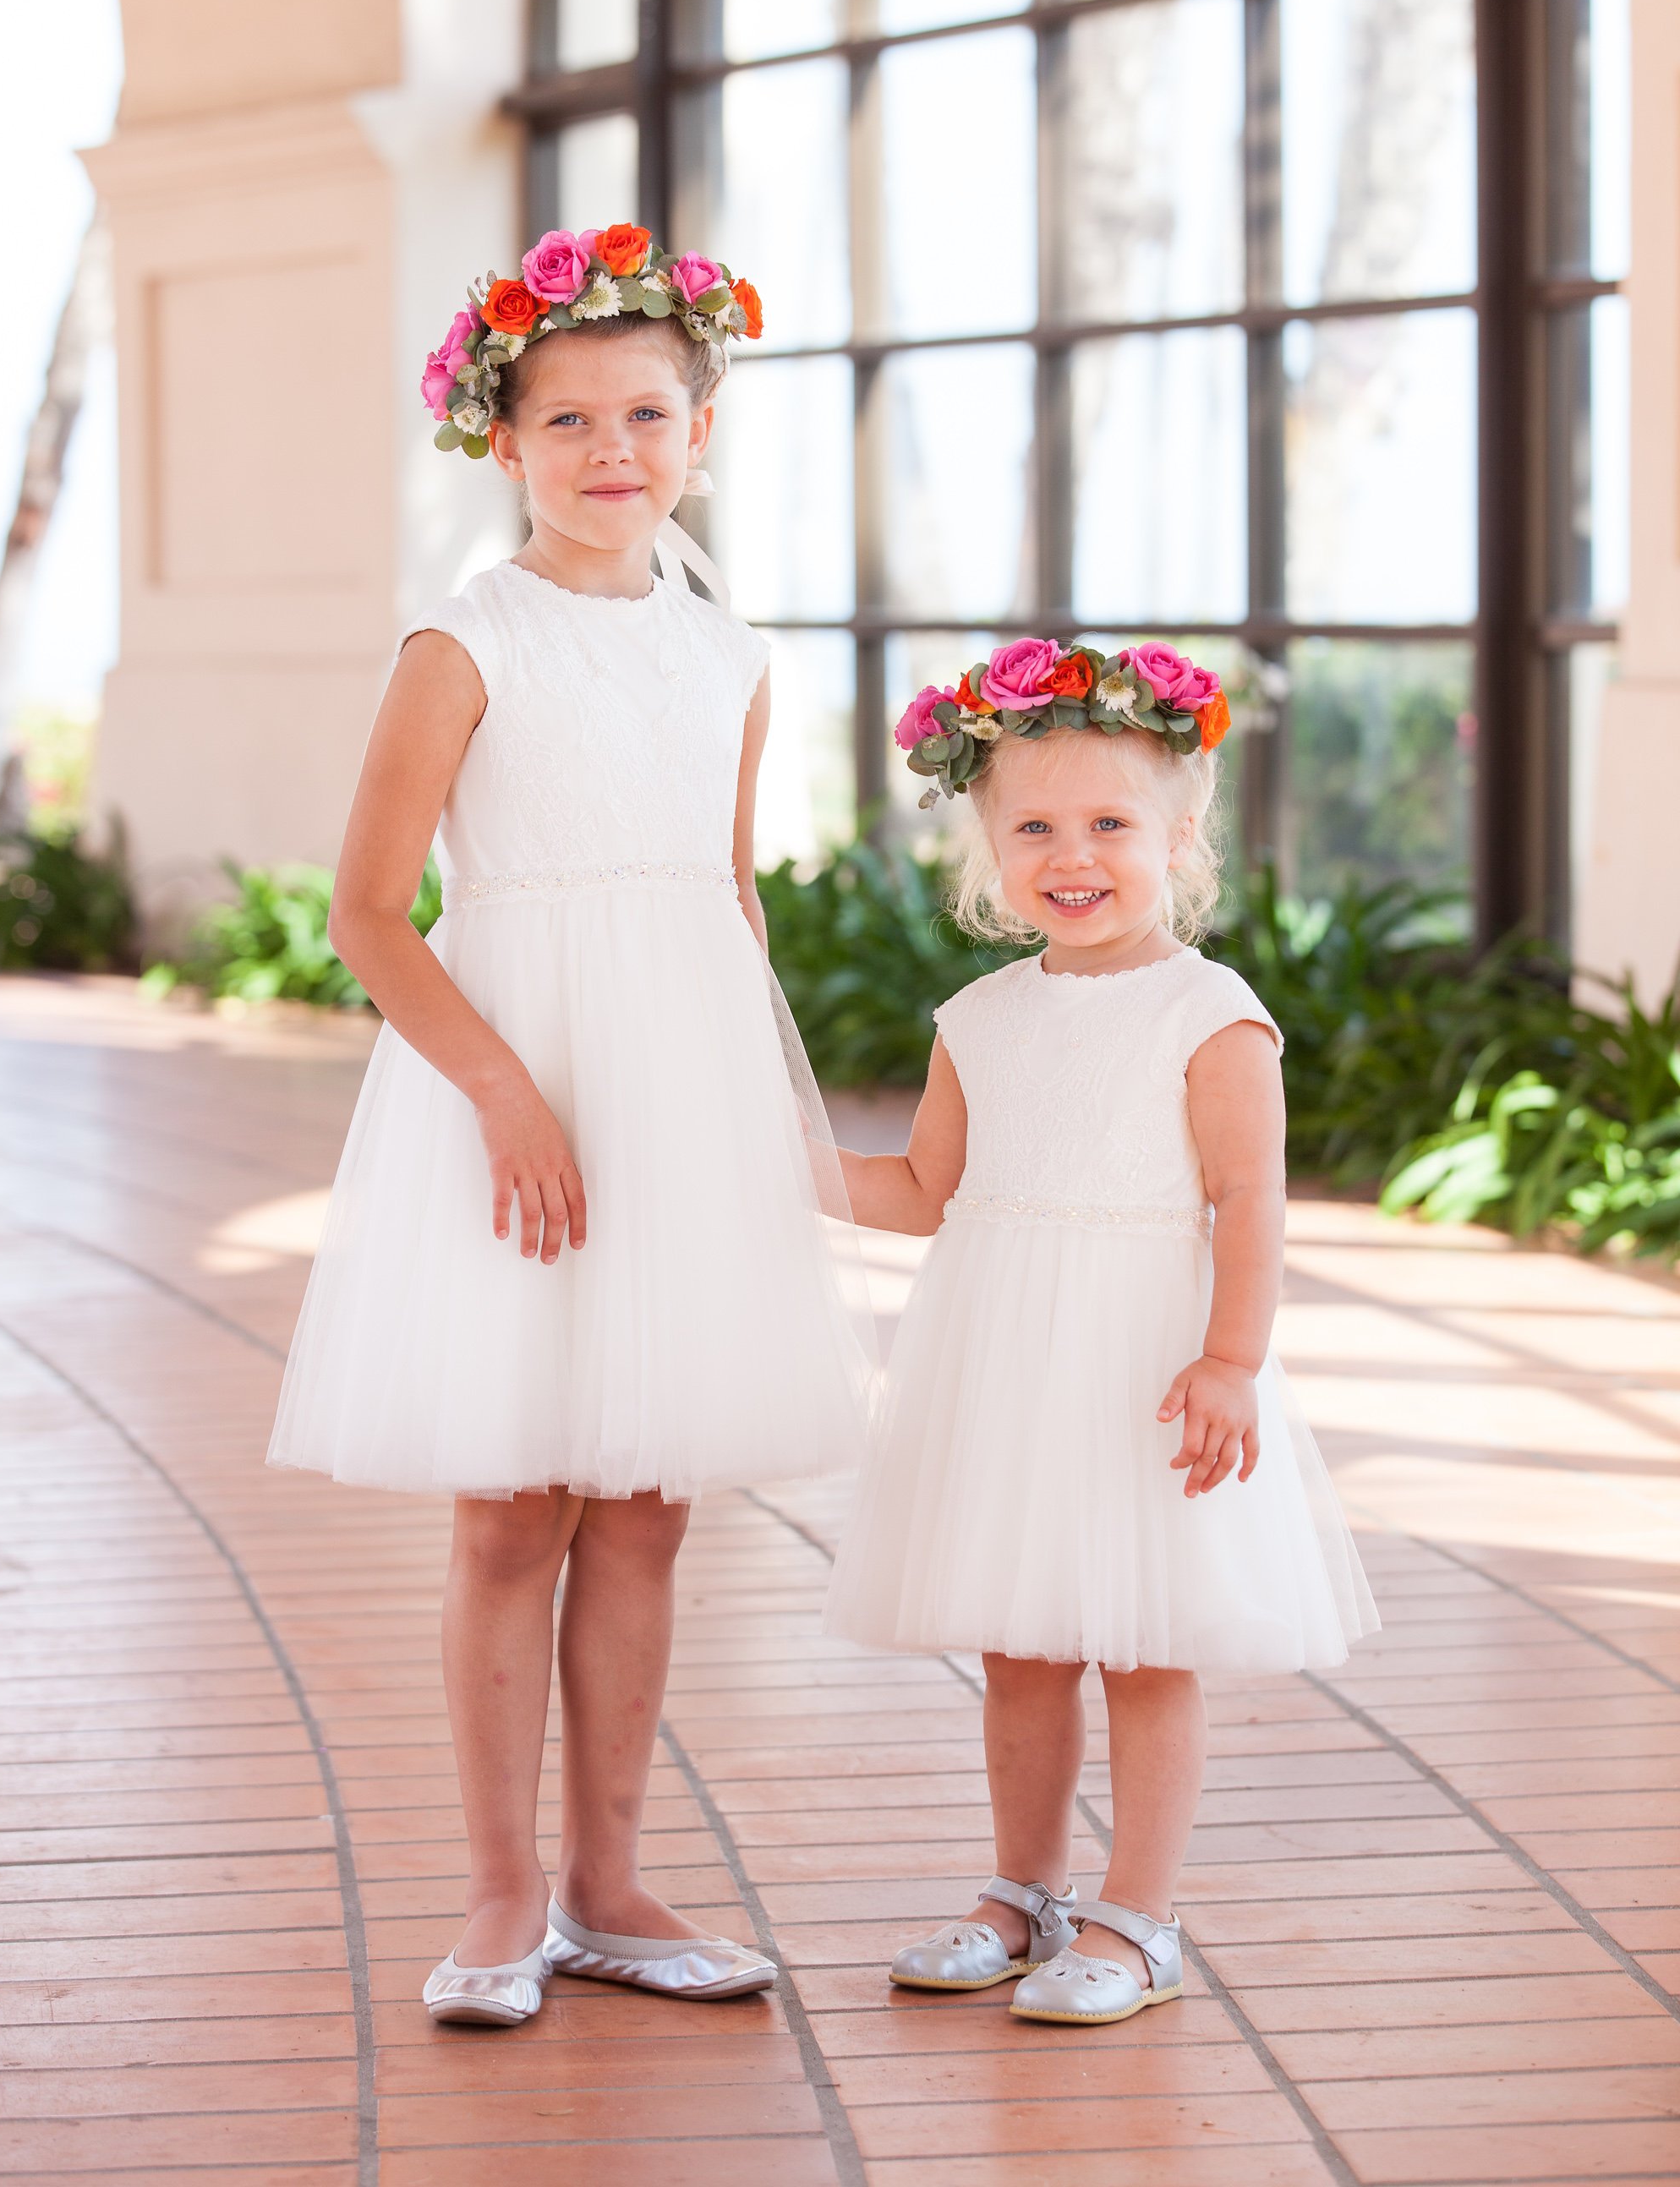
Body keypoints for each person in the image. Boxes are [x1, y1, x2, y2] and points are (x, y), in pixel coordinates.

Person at [269, 226, 868, 2024]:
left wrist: (754, 1112)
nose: (615, 450)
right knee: (512, 1503)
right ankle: (502, 1891)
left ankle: (612, 1882)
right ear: (502, 439)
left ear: (697, 430)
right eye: (570, 421)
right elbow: (370, 911)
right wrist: (506, 1089)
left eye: (648, 414)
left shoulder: (732, 654)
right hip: (508, 1094)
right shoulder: (468, 639)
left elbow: (724, 893)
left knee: (646, 1500)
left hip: (677, 1091)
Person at [824, 636, 1376, 2026]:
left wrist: (1232, 1361)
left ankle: (1138, 1916)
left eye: (1111, 825)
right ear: (987, 847)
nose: (1072, 856)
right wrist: (781, 1165)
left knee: (1142, 1640)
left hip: (1147, 1365)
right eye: (1035, 828)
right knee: (1021, 1644)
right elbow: (923, 1188)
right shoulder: (980, 1017)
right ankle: (1023, 1892)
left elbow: (1249, 1200)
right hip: (1005, 1361)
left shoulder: (1212, 1018)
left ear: (1180, 836)